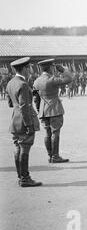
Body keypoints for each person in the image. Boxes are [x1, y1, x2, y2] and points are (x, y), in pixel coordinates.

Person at [6, 57, 42, 187]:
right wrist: (29, 125)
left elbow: (11, 103)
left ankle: (21, 177)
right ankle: (25, 178)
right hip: (24, 121)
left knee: (18, 148)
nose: (31, 70)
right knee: (24, 149)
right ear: (25, 69)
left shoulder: (11, 82)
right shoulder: (23, 84)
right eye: (29, 68)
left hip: (15, 121)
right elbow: (24, 107)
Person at [33, 59, 72, 163]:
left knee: (47, 133)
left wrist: (39, 110)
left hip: (43, 110)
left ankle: (50, 156)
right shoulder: (51, 79)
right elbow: (68, 79)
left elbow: (36, 99)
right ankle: (55, 156)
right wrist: (63, 70)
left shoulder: (37, 81)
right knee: (55, 132)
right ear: (50, 68)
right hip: (54, 109)